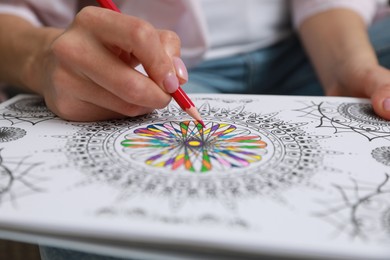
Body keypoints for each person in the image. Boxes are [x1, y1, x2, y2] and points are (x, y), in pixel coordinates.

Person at [0, 0, 389, 259]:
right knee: (117, 223)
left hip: (317, 44)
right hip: (155, 75)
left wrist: (349, 66)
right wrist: (40, 55)